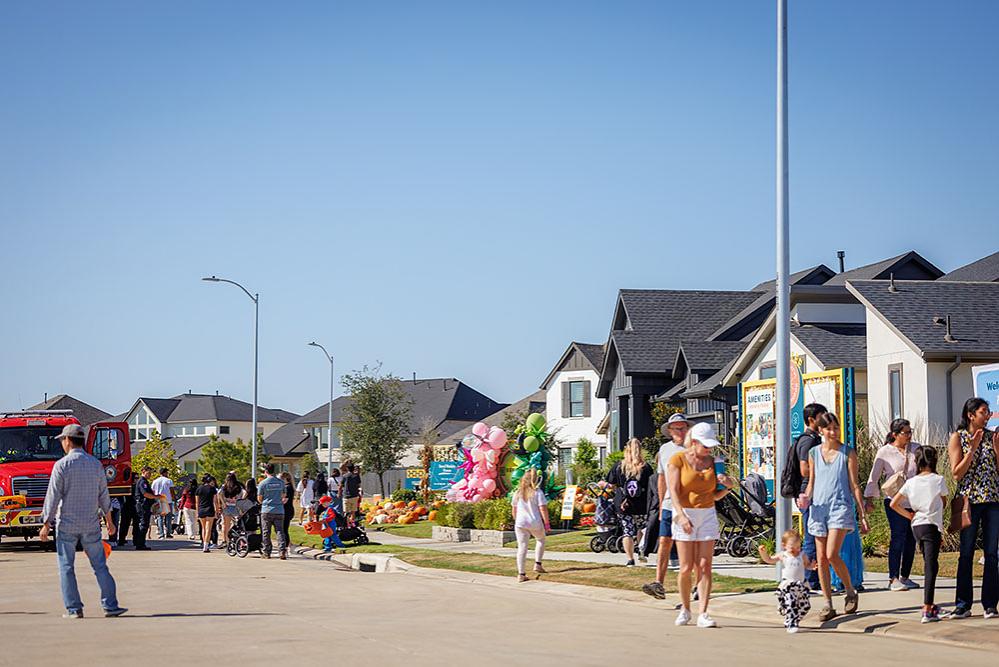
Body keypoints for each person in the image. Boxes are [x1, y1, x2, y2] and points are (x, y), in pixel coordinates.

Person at [39, 424, 127, 619]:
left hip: (67, 524)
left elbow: (52, 497)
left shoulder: (62, 465)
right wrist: (110, 521)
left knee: (66, 567)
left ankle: (74, 609)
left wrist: (46, 524)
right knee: (100, 566)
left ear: (68, 441)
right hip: (90, 524)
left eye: (63, 440)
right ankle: (110, 606)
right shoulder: (95, 464)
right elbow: (104, 495)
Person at [803, 412, 868, 622]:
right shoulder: (813, 453)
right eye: (828, 428)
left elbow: (854, 484)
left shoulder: (848, 453)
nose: (833, 432)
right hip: (819, 508)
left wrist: (862, 513)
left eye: (835, 427)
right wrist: (806, 497)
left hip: (840, 507)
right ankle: (828, 603)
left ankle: (850, 590)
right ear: (820, 430)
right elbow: (812, 482)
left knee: (832, 554)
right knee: (820, 558)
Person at [668, 422, 733, 629]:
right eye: (704, 445)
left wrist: (728, 487)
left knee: (705, 565)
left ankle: (703, 612)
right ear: (694, 442)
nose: (708, 449)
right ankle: (686, 608)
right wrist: (681, 516)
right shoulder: (678, 460)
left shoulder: (714, 462)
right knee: (686, 567)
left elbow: (715, 494)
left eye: (710, 446)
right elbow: (674, 491)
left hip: (706, 513)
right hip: (685, 512)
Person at [946, 397, 999, 619]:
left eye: (988, 412)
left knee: (991, 554)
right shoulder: (959, 437)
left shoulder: (993, 437)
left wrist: (996, 449)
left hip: (993, 499)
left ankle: (990, 604)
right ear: (971, 415)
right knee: (966, 553)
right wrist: (973, 448)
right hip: (970, 500)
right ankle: (963, 603)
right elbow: (957, 473)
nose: (987, 416)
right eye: (983, 412)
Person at [890, 445, 948, 623]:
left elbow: (893, 503)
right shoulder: (938, 480)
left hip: (917, 526)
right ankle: (927, 608)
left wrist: (909, 515)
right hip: (931, 524)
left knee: (930, 562)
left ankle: (931, 606)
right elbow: (944, 501)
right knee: (931, 566)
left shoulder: (911, 482)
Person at [864, 418, 920, 591]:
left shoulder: (916, 448)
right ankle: (893, 577)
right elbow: (874, 477)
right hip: (894, 501)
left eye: (911, 431)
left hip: (915, 500)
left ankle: (905, 576)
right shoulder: (884, 452)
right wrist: (869, 499)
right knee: (898, 536)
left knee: (911, 539)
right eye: (906, 432)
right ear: (895, 434)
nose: (909, 435)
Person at [643, 413, 690, 599]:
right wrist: (662, 504)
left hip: (690, 505)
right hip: (670, 504)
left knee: (688, 545)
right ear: (670, 431)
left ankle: (695, 584)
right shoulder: (665, 450)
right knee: (664, 541)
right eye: (676, 428)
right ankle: (659, 583)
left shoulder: (693, 448)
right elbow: (661, 479)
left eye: (683, 427)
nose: (680, 431)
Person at [606, 438, 654, 567]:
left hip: (623, 503)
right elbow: (651, 485)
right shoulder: (646, 467)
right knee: (641, 529)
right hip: (641, 504)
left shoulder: (619, 466)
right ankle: (641, 553)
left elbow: (610, 484)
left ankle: (630, 559)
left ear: (626, 449)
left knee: (627, 530)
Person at [758, 530, 817, 633]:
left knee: (805, 606)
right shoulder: (783, 555)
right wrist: (763, 553)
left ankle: (792, 617)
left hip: (801, 584)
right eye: (792, 548)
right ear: (784, 545)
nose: (795, 550)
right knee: (791, 602)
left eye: (798, 547)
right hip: (788, 585)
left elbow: (806, 564)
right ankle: (792, 622)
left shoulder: (802, 555)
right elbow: (769, 560)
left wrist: (811, 566)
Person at [795, 403, 827, 591]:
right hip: (809, 493)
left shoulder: (815, 439)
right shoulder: (809, 440)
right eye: (821, 416)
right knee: (811, 538)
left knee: (816, 536)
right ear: (811, 419)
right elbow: (804, 468)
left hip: (814, 493)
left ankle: (813, 580)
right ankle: (808, 580)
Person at [512, 468, 550, 582]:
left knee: (522, 547)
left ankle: (521, 574)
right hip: (535, 522)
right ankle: (538, 564)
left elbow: (514, 509)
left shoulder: (518, 493)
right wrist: (547, 523)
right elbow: (543, 509)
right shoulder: (537, 492)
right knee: (540, 539)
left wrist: (516, 520)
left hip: (520, 523)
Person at [258, 463, 289, 559]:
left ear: (266, 471)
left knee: (266, 532)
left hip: (267, 510)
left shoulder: (263, 483)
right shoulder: (281, 482)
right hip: (279, 510)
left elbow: (259, 498)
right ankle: (282, 551)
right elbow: (283, 495)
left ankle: (267, 552)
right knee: (280, 531)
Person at [133, 466, 160, 550]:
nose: (150, 475)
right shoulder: (142, 482)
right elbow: (145, 494)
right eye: (148, 473)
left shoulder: (145, 481)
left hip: (145, 505)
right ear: (143, 471)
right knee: (143, 525)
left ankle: (141, 543)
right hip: (142, 505)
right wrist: (155, 497)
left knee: (144, 524)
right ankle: (140, 544)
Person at [195, 474, 218, 553]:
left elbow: (197, 502)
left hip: (201, 510)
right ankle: (206, 546)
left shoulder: (199, 489)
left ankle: (203, 544)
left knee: (203, 528)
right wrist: (216, 511)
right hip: (210, 509)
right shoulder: (212, 489)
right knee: (209, 528)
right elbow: (215, 502)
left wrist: (197, 513)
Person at [220, 473, 243, 547]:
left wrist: (223, 503)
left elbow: (219, 494)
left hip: (227, 507)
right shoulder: (238, 487)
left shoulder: (224, 487)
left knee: (226, 525)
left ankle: (226, 541)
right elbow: (241, 496)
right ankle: (236, 540)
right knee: (235, 525)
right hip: (235, 507)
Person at [151, 468, 175, 539]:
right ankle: (168, 533)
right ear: (165, 473)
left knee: (160, 517)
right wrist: (174, 498)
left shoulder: (155, 481)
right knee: (168, 518)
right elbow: (171, 491)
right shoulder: (169, 481)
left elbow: (152, 491)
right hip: (167, 500)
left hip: (158, 499)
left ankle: (161, 534)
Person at [279, 472, 296, 547]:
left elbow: (284, 500)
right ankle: (287, 544)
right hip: (288, 509)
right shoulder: (288, 486)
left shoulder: (287, 487)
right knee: (284, 529)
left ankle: (285, 546)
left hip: (286, 510)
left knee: (284, 529)